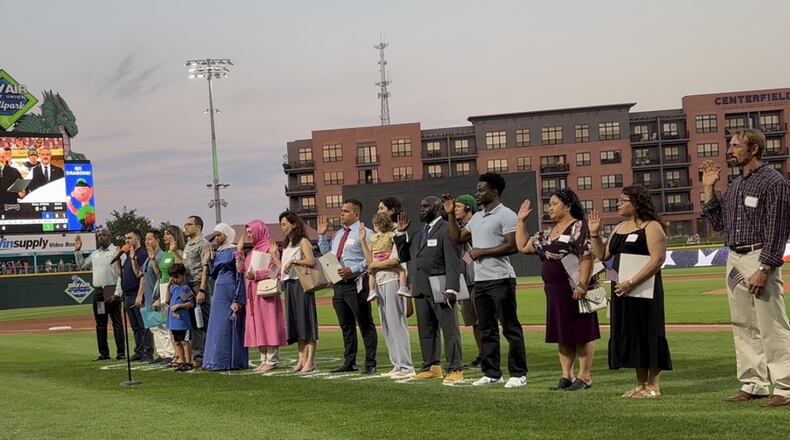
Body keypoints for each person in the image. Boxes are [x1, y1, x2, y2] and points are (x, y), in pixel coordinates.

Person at [701, 128, 790, 407]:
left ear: (754, 149)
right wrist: (709, 188)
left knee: (771, 324)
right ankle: (754, 383)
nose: (730, 151)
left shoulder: (773, 182)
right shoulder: (737, 185)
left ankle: (785, 388)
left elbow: (778, 229)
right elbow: (720, 225)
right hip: (735, 258)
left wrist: (765, 268)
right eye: (731, 145)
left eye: (737, 146)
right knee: (743, 324)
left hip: (758, 256)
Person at [445, 172, 528, 388]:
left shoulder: (506, 215)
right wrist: (451, 215)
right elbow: (457, 238)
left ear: (494, 192)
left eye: (481, 190)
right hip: (481, 282)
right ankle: (492, 373)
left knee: (510, 327)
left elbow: (512, 245)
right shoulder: (478, 217)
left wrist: (482, 252)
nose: (477, 193)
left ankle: (519, 373)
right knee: (487, 328)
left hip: (501, 279)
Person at [589, 185, 671, 399]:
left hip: (644, 291)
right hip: (622, 291)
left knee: (648, 332)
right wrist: (595, 235)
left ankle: (654, 386)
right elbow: (603, 256)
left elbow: (658, 260)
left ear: (637, 203)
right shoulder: (619, 228)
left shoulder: (652, 227)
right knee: (632, 334)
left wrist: (632, 282)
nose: (618, 203)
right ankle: (641, 384)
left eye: (624, 199)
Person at [515, 189, 600, 391]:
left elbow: (586, 256)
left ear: (568, 205)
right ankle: (566, 376)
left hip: (575, 287)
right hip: (555, 292)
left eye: (554, 204)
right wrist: (521, 221)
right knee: (562, 333)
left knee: (582, 333)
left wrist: (582, 284)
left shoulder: (578, 226)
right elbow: (523, 246)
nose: (550, 208)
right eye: (549, 204)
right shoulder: (547, 233)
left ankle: (584, 376)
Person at [398, 196, 464, 385]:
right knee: (426, 331)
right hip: (420, 287)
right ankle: (432, 367)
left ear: (436, 208)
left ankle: (455, 368)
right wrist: (402, 234)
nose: (421, 209)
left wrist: (452, 288)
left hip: (441, 287)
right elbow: (405, 256)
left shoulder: (446, 229)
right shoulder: (418, 233)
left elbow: (453, 261)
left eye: (425, 206)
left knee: (449, 329)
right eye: (421, 206)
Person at [317, 199, 378, 375]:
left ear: (356, 214)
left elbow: (371, 259)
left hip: (356, 283)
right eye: (341, 210)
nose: (341, 213)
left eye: (345, 211)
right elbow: (328, 254)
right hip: (339, 285)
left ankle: (370, 362)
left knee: (365, 323)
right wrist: (322, 236)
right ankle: (349, 361)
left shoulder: (365, 233)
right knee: (346, 326)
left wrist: (353, 269)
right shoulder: (337, 234)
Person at [360, 212, 415, 379]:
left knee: (397, 323)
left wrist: (375, 265)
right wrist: (363, 241)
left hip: (393, 279)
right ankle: (397, 363)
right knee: (387, 325)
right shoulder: (376, 238)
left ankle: (406, 366)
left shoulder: (393, 236)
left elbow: (395, 260)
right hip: (380, 280)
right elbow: (370, 260)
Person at [271, 211, 319, 373]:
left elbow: (311, 260)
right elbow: (282, 268)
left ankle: (310, 361)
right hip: (289, 285)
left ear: (294, 225)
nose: (282, 227)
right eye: (281, 225)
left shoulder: (303, 241)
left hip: (302, 284)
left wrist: (295, 261)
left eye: (285, 224)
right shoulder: (287, 245)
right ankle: (302, 360)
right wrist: (274, 255)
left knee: (306, 321)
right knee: (296, 323)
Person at [237, 220, 286, 373]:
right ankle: (263, 359)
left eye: (251, 232)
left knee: (269, 323)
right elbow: (240, 270)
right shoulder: (251, 253)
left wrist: (256, 274)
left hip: (266, 294)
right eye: (247, 233)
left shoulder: (269, 248)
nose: (249, 235)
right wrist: (239, 251)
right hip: (252, 295)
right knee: (257, 325)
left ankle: (272, 359)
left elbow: (274, 271)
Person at [202, 223, 248, 371]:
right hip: (219, 289)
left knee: (228, 324)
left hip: (230, 288)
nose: (216, 238)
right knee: (217, 325)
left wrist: (238, 298)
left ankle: (230, 360)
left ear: (226, 235)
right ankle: (214, 360)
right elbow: (213, 273)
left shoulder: (234, 250)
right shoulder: (218, 252)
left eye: (219, 235)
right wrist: (208, 260)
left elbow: (239, 274)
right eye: (215, 235)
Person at [74, 229, 125, 361]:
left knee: (116, 322)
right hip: (98, 292)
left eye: (103, 235)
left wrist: (118, 292)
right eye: (99, 236)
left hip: (111, 290)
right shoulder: (95, 254)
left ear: (109, 237)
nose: (100, 238)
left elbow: (121, 273)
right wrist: (78, 251)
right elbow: (81, 265)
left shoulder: (117, 251)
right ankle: (103, 353)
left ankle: (121, 352)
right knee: (101, 323)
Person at [134, 229, 174, 364]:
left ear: (157, 240)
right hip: (149, 296)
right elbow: (141, 275)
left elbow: (162, 277)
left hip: (159, 296)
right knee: (154, 327)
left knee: (163, 326)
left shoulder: (162, 256)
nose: (147, 241)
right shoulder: (148, 257)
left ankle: (169, 354)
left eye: (150, 239)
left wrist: (160, 297)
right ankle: (161, 354)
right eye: (146, 239)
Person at [453, 194, 483, 369]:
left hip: (479, 278)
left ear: (468, 207)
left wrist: (464, 260)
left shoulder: (477, 224)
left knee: (483, 321)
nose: (455, 209)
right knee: (473, 322)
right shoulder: (457, 227)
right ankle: (482, 354)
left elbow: (473, 252)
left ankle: (489, 355)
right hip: (465, 281)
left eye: (458, 206)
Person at [118, 229, 153, 362]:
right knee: (136, 327)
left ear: (137, 239)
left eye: (129, 238)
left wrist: (140, 294)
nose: (127, 240)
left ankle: (147, 352)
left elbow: (142, 276)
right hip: (128, 294)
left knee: (144, 326)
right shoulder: (128, 256)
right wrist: (117, 259)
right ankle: (139, 351)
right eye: (125, 238)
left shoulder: (142, 253)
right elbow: (120, 274)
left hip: (137, 293)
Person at [182, 215, 212, 368]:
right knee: (194, 323)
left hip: (198, 285)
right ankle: (197, 355)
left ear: (198, 227)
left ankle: (204, 356)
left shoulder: (203, 244)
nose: (185, 227)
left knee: (203, 322)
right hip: (188, 286)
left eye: (189, 224)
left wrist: (202, 289)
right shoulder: (188, 244)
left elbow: (205, 268)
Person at [153, 225, 185, 365]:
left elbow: (181, 268)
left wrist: (174, 252)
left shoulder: (178, 252)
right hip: (164, 287)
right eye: (165, 234)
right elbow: (160, 274)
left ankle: (178, 355)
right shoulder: (166, 253)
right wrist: (153, 260)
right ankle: (176, 355)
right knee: (168, 323)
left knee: (173, 323)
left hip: (173, 288)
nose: (165, 236)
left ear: (175, 236)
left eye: (168, 234)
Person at [167, 263, 196, 372]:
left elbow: (191, 304)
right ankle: (181, 361)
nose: (175, 280)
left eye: (177, 277)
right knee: (177, 342)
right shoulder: (173, 288)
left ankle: (188, 362)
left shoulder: (185, 289)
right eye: (173, 277)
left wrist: (180, 305)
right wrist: (168, 287)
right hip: (174, 321)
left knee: (185, 341)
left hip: (183, 321)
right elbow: (167, 300)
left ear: (183, 276)